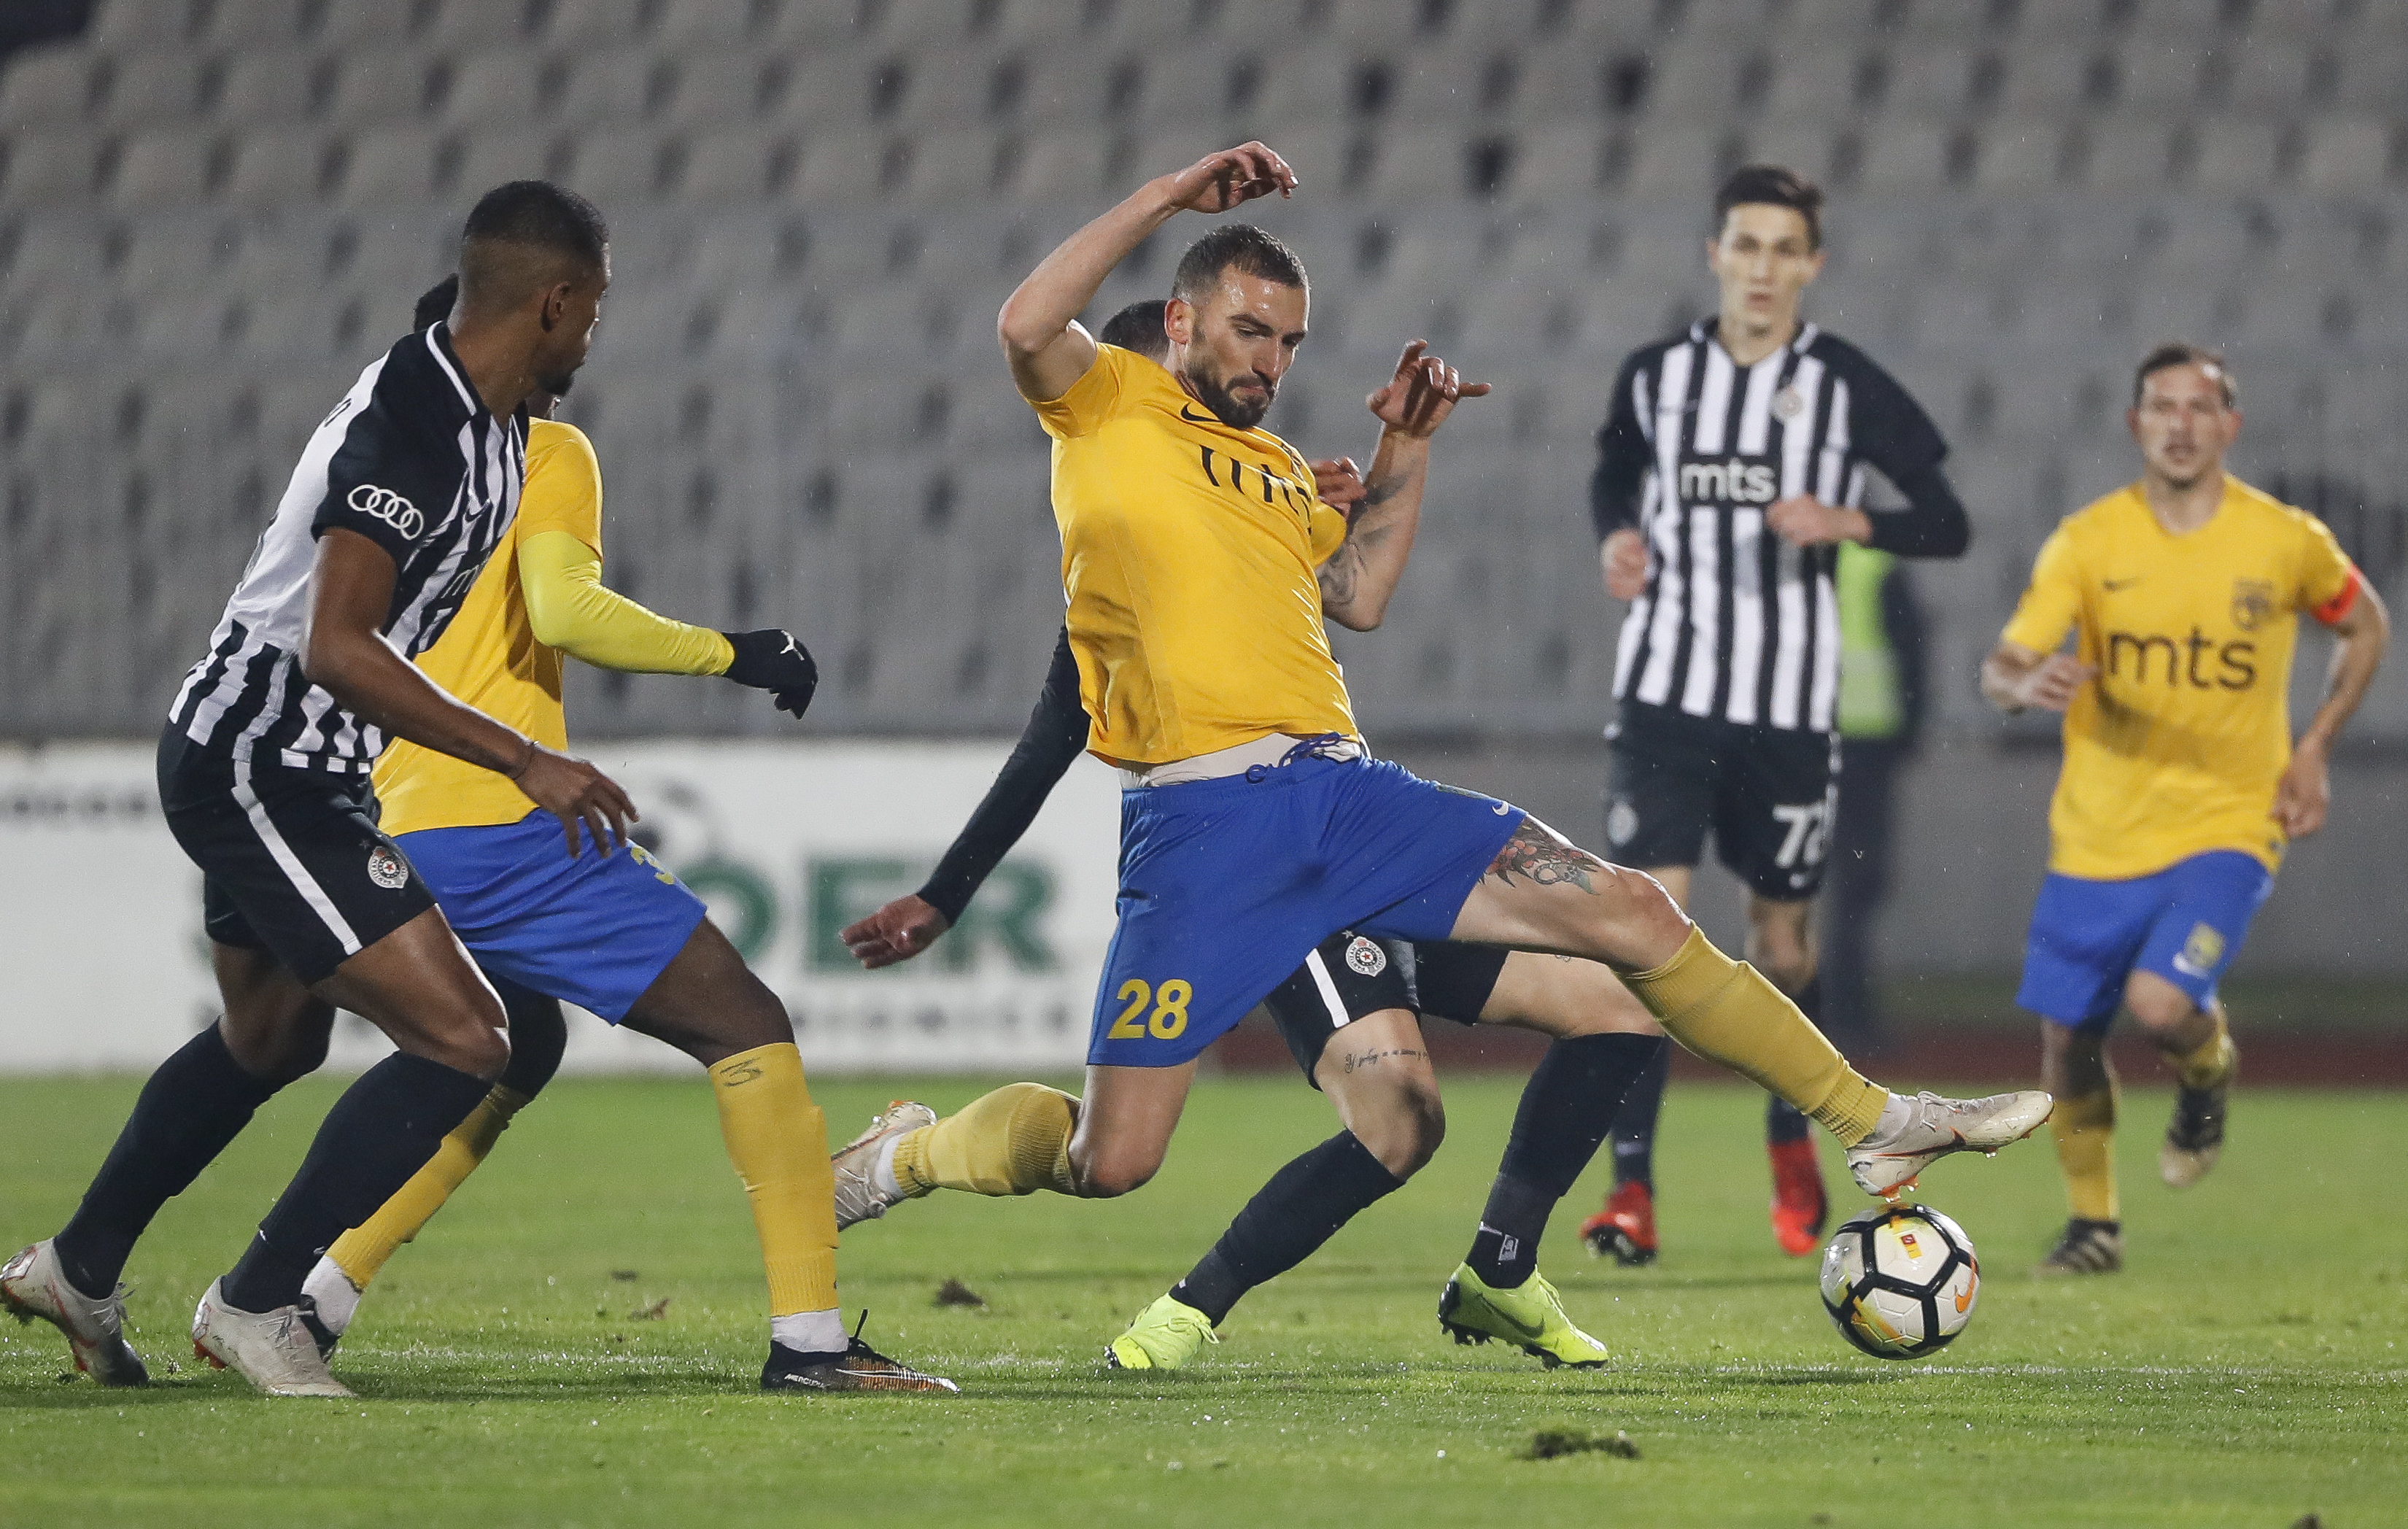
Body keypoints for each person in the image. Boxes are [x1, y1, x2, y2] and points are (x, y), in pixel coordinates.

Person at [817, 142, 2047, 1356]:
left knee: (1623, 914)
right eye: (1251, 331)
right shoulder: (1107, 402)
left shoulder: (1279, 470)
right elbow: (1025, 320)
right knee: (1111, 1158)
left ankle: (1874, 1119)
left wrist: (1408, 451)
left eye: (1292, 342)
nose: (1273, 363)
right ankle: (912, 1153)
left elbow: (1353, 595)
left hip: (1346, 797)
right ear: (1182, 322)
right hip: (1200, 833)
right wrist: (1171, 194)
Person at [838, 300, 1667, 1371]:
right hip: (1277, 863)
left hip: (1372, 832)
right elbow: (1053, 734)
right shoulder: (1125, 574)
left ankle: (1500, 1272)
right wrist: (947, 894)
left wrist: (1382, 462)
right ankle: (935, 1171)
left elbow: (1357, 590)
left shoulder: (1260, 495)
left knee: (1617, 1013)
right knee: (1341, 1129)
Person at [1, 183, 633, 1398]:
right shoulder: (414, 427)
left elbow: (455, 309)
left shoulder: (486, 407)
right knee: (470, 1037)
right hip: (262, 762)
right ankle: (258, 1304)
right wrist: (523, 757)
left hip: (283, 761)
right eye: (595, 307)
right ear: (554, 303)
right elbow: (337, 646)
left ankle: (75, 1268)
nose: (597, 334)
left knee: (272, 1037)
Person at [265, 276, 951, 1394]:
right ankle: (812, 1348)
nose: (577, 346)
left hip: (398, 816)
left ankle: (312, 1299)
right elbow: (567, 611)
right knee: (747, 1024)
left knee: (508, 1049)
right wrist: (738, 650)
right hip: (503, 823)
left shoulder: (391, 456)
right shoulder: (541, 449)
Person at [1579, 164, 1974, 1266]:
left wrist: (1850, 515)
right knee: (1645, 938)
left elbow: (1947, 522)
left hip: (1789, 715)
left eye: (1781, 250)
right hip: (1663, 698)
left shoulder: (1844, 385)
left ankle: (1788, 1144)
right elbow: (1611, 477)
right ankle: (1630, 1194)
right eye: (1742, 246)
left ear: (1812, 265)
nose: (1760, 269)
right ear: (1715, 254)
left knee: (1781, 946)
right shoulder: (1658, 376)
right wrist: (1614, 536)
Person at [1981, 344, 2387, 1275]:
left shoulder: (2284, 539)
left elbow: (2364, 622)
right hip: (2096, 831)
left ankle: (2207, 1071)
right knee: (2068, 1039)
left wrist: (2316, 741)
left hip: (2229, 823)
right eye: (2160, 406)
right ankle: (2095, 1225)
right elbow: (2003, 665)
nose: (2179, 423)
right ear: (2135, 425)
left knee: (2161, 1003)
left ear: (2228, 426)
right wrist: (2021, 680)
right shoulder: (2087, 541)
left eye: (2198, 407)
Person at [1820, 541, 1931, 1048]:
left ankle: (1803, 1013)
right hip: (1865, 741)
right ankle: (1847, 1015)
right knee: (1858, 881)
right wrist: (1910, 731)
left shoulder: (1790, 559)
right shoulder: (1876, 565)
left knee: (1792, 882)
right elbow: (1911, 649)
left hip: (1798, 739)